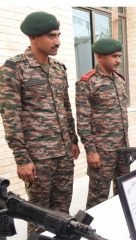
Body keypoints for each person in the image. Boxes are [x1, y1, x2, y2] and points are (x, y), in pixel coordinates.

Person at [0, 12, 80, 235]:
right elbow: (10, 116)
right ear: (33, 37)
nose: (58, 41)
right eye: (51, 36)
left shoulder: (59, 69)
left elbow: (65, 109)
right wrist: (22, 158)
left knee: (63, 214)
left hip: (64, 154)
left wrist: (73, 140)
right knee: (38, 215)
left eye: (58, 35)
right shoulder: (13, 69)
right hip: (38, 157)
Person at [76, 38, 129, 209]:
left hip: (123, 147)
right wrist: (91, 151)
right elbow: (83, 121)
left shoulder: (120, 80)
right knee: (98, 197)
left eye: (119, 56)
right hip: (102, 150)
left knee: (123, 190)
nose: (118, 60)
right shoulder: (87, 83)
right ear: (100, 57)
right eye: (114, 56)